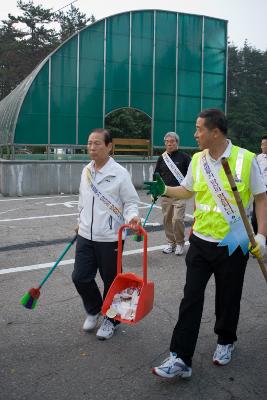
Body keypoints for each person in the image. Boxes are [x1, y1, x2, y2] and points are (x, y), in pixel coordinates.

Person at [144, 109, 267, 379]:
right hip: (200, 240)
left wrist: (261, 237)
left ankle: (225, 340)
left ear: (215, 132)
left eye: (199, 129)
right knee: (191, 298)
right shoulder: (198, 159)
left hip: (233, 242)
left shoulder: (246, 159)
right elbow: (188, 190)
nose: (195, 134)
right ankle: (180, 357)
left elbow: (261, 198)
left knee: (228, 297)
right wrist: (164, 189)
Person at [72, 128, 140, 340]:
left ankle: (112, 320)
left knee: (112, 281)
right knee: (80, 277)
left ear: (109, 146)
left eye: (97, 143)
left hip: (110, 237)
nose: (92, 147)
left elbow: (130, 201)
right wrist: (79, 222)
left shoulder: (119, 173)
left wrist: (133, 217)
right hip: (85, 235)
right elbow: (82, 200)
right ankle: (94, 310)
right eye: (90, 143)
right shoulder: (86, 171)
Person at [154, 132, 191, 255]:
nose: (169, 144)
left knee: (177, 219)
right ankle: (171, 243)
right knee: (167, 220)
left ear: (177, 143)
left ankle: (180, 243)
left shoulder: (185, 157)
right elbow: (156, 175)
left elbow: (191, 175)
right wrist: (154, 191)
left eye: (172, 141)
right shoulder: (162, 158)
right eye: (167, 142)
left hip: (180, 194)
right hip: (165, 195)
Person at [251, 135, 267, 234]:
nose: (263, 147)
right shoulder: (258, 158)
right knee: (256, 217)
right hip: (261, 190)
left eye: (266, 145)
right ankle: (258, 236)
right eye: (262, 145)